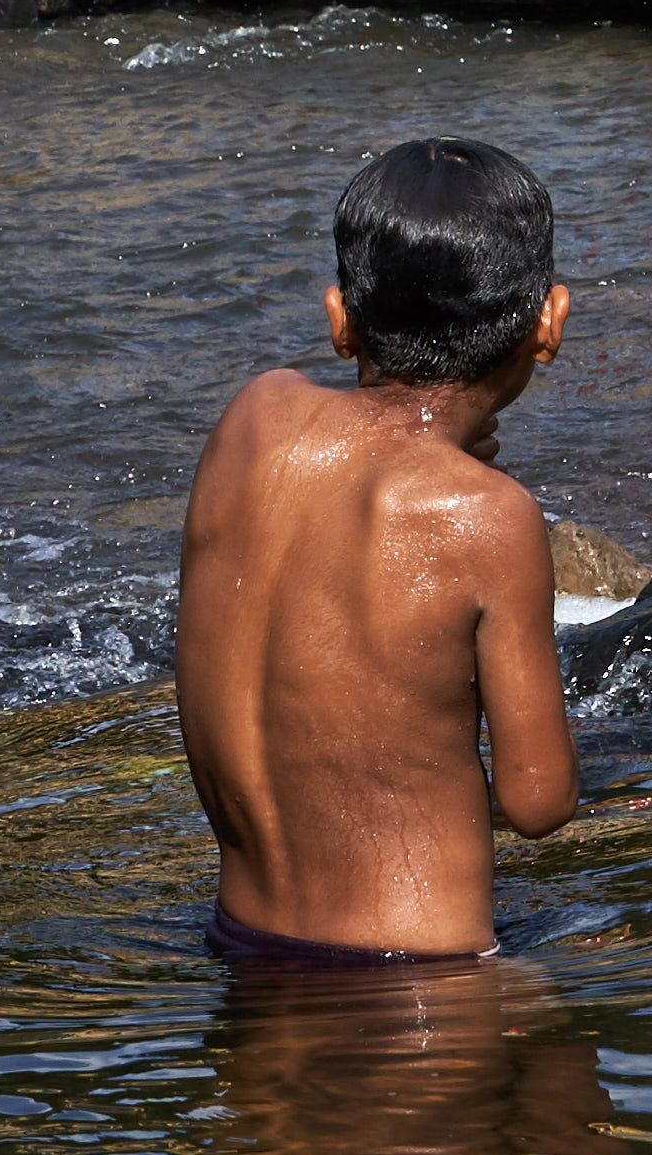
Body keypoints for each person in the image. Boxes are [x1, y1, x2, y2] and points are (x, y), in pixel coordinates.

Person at [175, 138, 581, 967]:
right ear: (548, 324)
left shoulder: (253, 416)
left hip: (239, 947)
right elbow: (537, 801)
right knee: (567, 1092)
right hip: (420, 980)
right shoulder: (487, 516)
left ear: (337, 319)